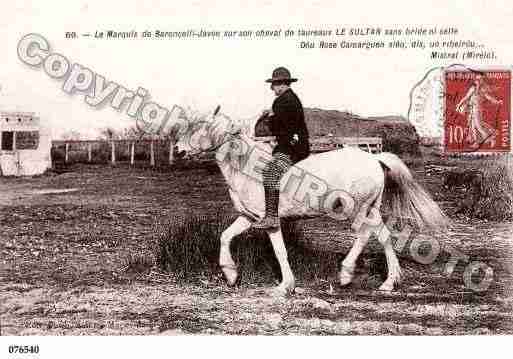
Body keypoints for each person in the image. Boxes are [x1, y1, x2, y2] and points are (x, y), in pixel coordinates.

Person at [255, 67, 310, 229]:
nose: (272, 88)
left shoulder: (282, 101)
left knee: (270, 172)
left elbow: (279, 128)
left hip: (291, 149)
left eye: (274, 84)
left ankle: (271, 217)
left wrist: (270, 118)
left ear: (282, 84)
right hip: (296, 145)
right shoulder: (292, 98)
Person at [456, 71, 502, 148]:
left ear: (482, 80)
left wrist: (497, 102)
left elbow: (489, 98)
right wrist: (459, 106)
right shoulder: (472, 89)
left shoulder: (482, 89)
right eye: (477, 80)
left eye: (480, 80)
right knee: (473, 127)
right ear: (475, 80)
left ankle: (491, 138)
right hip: (472, 109)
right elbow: (466, 98)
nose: (479, 81)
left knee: (478, 125)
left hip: (477, 109)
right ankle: (476, 143)